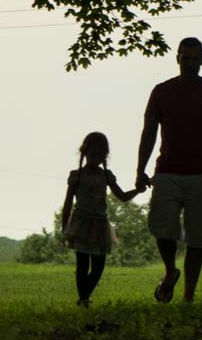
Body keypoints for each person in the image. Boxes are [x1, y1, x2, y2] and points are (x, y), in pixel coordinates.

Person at [134, 37, 202, 303]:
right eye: (185, 57)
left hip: (201, 173)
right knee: (163, 229)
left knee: (197, 239)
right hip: (167, 171)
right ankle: (169, 273)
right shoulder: (161, 91)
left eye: (195, 58)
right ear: (177, 58)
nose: (189, 62)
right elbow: (148, 133)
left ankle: (188, 297)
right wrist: (140, 169)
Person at [59, 131, 144, 307]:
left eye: (99, 155)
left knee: (98, 267)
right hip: (80, 223)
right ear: (85, 152)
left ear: (104, 156)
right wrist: (64, 227)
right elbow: (68, 202)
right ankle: (83, 299)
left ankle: (83, 297)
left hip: (100, 224)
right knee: (82, 265)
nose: (95, 158)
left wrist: (138, 190)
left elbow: (121, 196)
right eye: (92, 154)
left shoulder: (106, 175)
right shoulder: (77, 176)